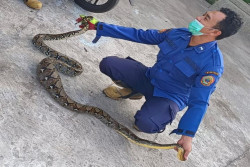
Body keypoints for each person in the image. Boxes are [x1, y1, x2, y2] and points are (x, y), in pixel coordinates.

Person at [76, 8, 242, 160]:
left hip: (169, 97)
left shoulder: (212, 64)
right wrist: (100, 27)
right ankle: (134, 91)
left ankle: (152, 111)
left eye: (206, 18)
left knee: (145, 123)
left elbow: (199, 102)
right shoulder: (178, 34)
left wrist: (187, 135)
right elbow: (141, 35)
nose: (198, 17)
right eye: (203, 14)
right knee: (109, 64)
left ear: (215, 31)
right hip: (149, 77)